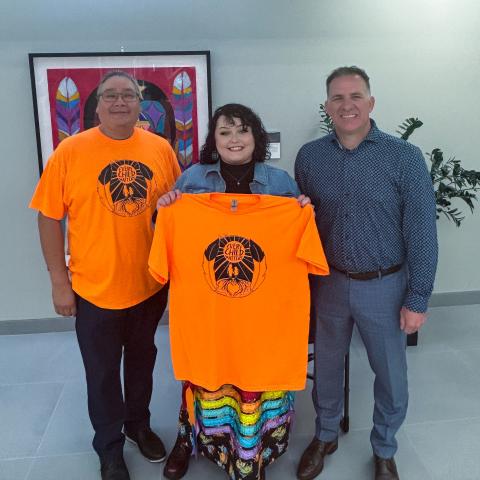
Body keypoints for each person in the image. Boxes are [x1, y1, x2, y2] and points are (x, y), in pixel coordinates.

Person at [155, 103, 321, 480]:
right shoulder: (192, 179)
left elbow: (300, 247)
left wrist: (301, 211)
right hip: (209, 316)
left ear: (256, 137)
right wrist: (165, 208)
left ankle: (254, 454)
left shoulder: (281, 185)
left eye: (242, 130)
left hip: (263, 317)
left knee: (260, 382)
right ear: (214, 140)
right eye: (225, 131)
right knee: (204, 379)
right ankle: (189, 439)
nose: (234, 139)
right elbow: (167, 239)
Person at [30, 71, 181, 480]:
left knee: (141, 361)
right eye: (110, 96)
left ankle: (139, 426)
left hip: (148, 284)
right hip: (92, 288)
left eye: (127, 95)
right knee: (100, 372)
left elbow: (176, 211)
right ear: (96, 106)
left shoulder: (160, 148)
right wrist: (59, 283)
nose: (119, 102)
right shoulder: (71, 151)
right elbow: (48, 218)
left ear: (139, 103)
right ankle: (109, 445)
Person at [294, 66, 438, 480]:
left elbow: (422, 233)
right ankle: (324, 435)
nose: (347, 105)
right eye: (337, 98)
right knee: (327, 367)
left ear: (371, 102)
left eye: (355, 96)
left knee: (390, 373)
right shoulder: (311, 157)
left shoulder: (403, 157)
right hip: (329, 284)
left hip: (385, 285)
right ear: (327, 108)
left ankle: (384, 448)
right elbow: (301, 223)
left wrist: (418, 298)